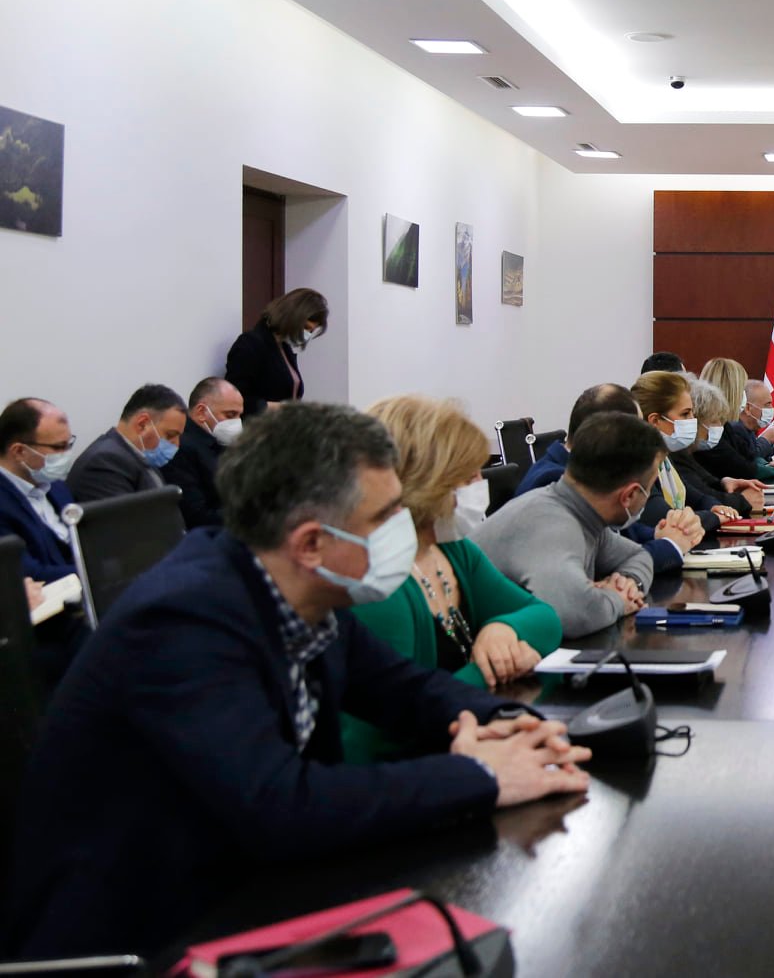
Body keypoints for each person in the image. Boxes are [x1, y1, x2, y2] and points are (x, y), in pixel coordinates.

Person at [1, 402, 591, 958]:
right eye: (386, 517)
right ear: (311, 544)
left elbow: (409, 690)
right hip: (144, 934)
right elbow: (281, 805)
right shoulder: (184, 622)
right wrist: (481, 775)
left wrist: (512, 726)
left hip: (248, 892)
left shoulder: (304, 594)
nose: (405, 529)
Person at [343, 396, 565, 763]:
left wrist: (503, 630)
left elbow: (546, 619)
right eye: (468, 477)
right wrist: (495, 668)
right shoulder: (380, 584)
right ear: (424, 483)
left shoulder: (453, 550)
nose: (481, 484)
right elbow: (399, 721)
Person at [471, 413, 658, 638]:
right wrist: (618, 600)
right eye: (650, 487)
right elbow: (571, 615)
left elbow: (638, 556)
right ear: (629, 495)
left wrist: (629, 583)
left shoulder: (583, 514)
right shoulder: (552, 524)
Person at [516, 383, 704, 575]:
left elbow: (618, 536)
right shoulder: (554, 483)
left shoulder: (586, 469)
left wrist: (662, 533)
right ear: (610, 434)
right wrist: (671, 545)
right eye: (638, 429)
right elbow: (605, 564)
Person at [631, 371, 749, 532]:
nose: (693, 420)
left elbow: (696, 497)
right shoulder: (637, 463)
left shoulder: (665, 458)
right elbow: (667, 519)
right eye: (685, 414)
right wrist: (714, 517)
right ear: (655, 420)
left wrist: (715, 507)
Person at [0, 398, 78, 581]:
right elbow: (31, 575)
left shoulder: (56, 486)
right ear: (19, 451)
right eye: (59, 447)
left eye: (69, 444)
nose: (67, 454)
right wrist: (103, 572)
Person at [67, 383, 185, 502]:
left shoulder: (142, 458)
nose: (177, 444)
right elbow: (126, 514)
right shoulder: (106, 461)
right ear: (142, 424)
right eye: (170, 435)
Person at [225, 287, 327, 416]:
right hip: (259, 426)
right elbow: (236, 399)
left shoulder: (284, 347)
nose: (307, 334)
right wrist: (281, 408)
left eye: (311, 331)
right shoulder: (251, 344)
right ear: (292, 317)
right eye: (306, 327)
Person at [698, 358, 774, 484]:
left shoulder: (727, 427)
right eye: (742, 389)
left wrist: (768, 465)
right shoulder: (716, 431)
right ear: (733, 391)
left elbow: (747, 459)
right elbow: (743, 469)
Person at [166, 377, 244, 529]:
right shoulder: (180, 448)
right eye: (230, 415)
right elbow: (196, 516)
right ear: (201, 412)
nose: (237, 422)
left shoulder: (218, 440)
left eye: (239, 415)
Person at [741, 378, 774, 459]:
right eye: (767, 404)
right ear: (748, 408)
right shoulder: (735, 432)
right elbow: (747, 458)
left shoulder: (751, 430)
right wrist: (766, 440)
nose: (771, 408)